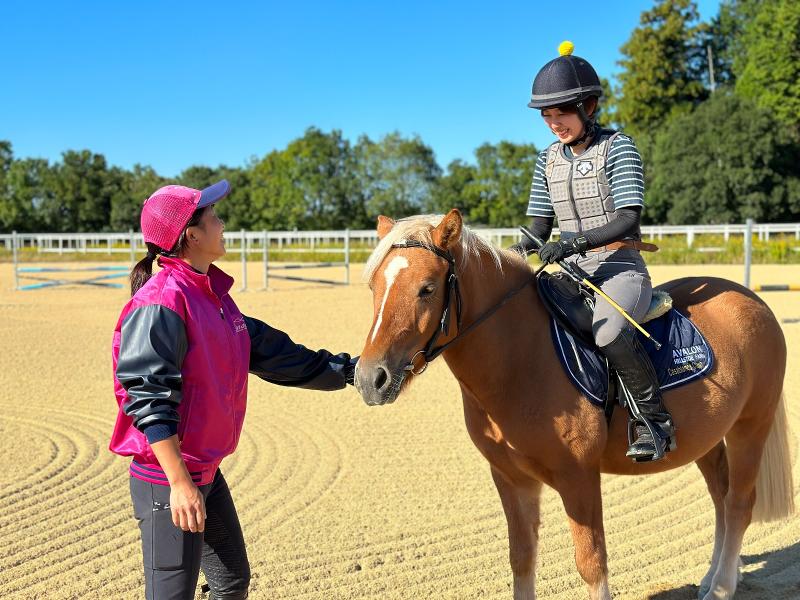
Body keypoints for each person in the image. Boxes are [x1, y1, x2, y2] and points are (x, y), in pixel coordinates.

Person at [110, 180, 357, 599]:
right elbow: (147, 398)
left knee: (231, 581)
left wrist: (353, 372)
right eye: (215, 218)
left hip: (203, 472)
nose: (223, 224)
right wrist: (180, 484)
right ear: (192, 235)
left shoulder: (215, 300)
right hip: (167, 478)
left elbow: (280, 356)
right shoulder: (162, 303)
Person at [512, 41, 674, 462]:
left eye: (560, 113)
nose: (553, 124)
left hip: (620, 269)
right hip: (570, 272)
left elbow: (627, 218)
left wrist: (576, 242)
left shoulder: (618, 147)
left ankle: (653, 423)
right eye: (546, 116)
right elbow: (536, 229)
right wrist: (510, 254)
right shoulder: (546, 160)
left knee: (607, 332)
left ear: (589, 105)